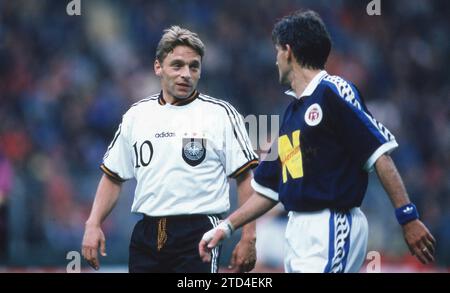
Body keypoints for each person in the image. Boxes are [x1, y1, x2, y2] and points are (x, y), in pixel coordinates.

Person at [199, 10, 436, 273]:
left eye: (277, 51)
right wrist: (226, 226)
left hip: (331, 223)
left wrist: (408, 216)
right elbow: (269, 190)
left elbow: (380, 154)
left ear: (288, 51)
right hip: (298, 231)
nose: (276, 60)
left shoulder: (333, 91)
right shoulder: (291, 114)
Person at [82, 26, 258, 273]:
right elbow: (113, 176)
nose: (186, 74)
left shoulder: (221, 114)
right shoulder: (136, 116)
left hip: (199, 233)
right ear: (158, 67)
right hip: (146, 235)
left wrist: (248, 237)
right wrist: (93, 223)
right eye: (177, 65)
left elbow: (245, 178)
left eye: (193, 66)